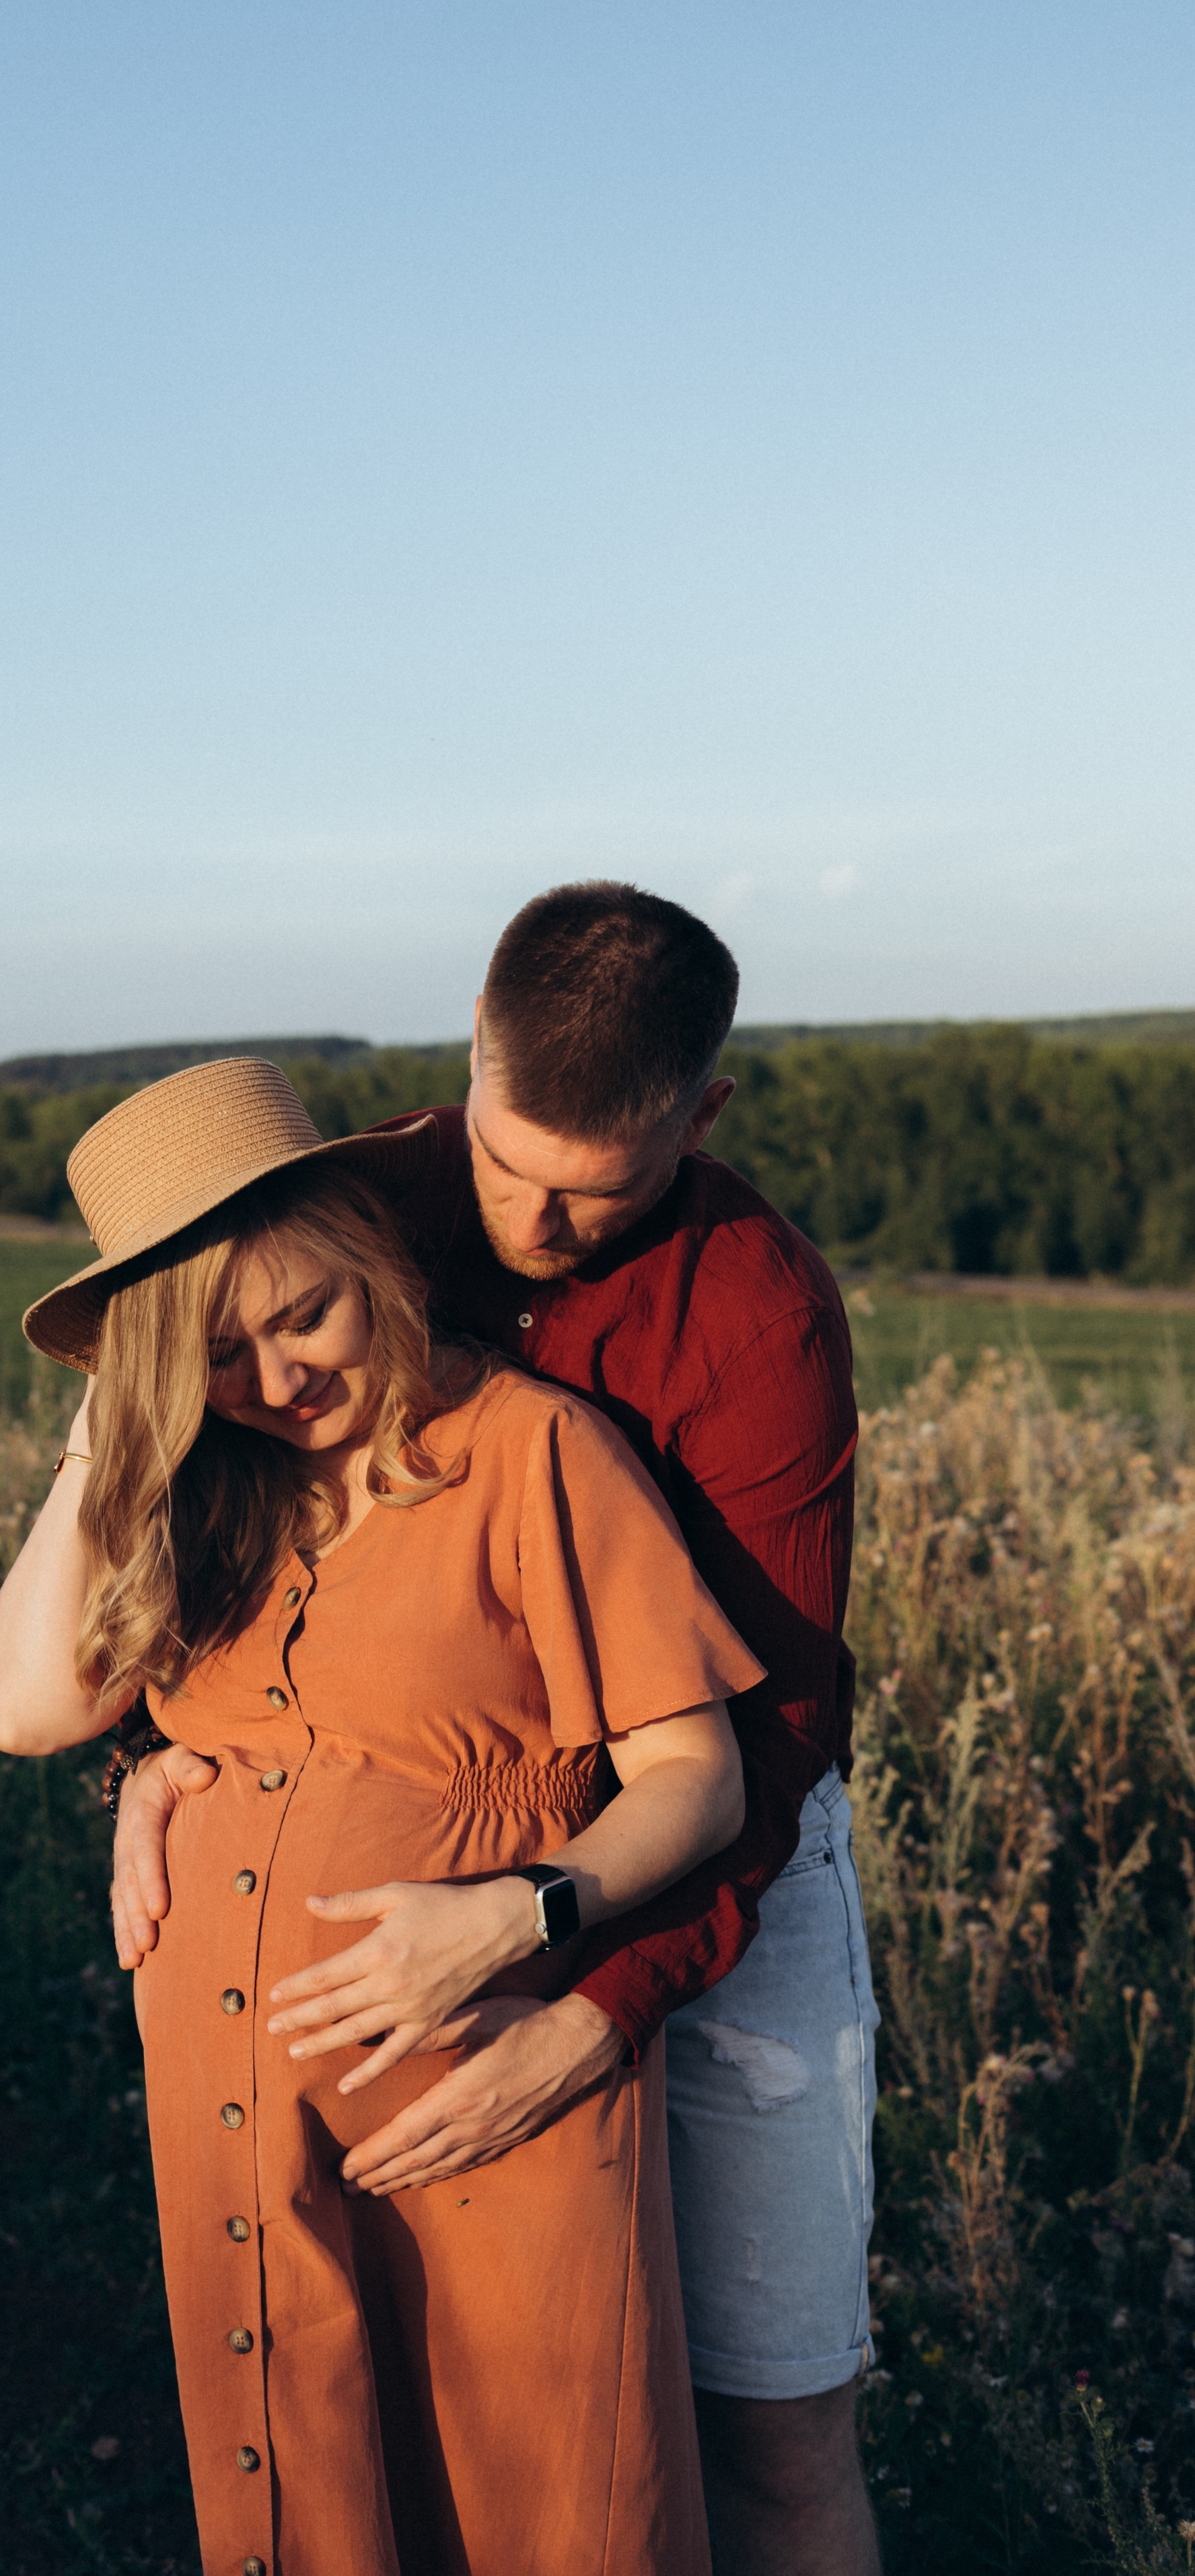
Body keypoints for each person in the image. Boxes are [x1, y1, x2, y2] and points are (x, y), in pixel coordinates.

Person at [110, 885, 883, 2576]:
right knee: (438, 2416)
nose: (535, 1221)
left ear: (701, 1115)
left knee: (771, 2428)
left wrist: (592, 2004)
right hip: (461, 1884)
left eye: (596, 1191)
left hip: (719, 1869)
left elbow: (768, 1739)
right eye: (509, 1161)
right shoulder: (349, 1212)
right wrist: (157, 1766)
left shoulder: (758, 1317)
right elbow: (210, 1516)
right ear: (470, 1049)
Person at [0, 1054, 769, 2576]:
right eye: (217, 1353)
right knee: (313, 2506)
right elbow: (22, 1711)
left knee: (549, 2511)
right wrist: (110, 1428)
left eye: (304, 1316)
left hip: (483, 2099)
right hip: (243, 2134)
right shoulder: (215, 1491)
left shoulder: (531, 1451)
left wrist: (517, 1910)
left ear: (370, 1259)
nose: (278, 1380)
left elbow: (697, 1776)